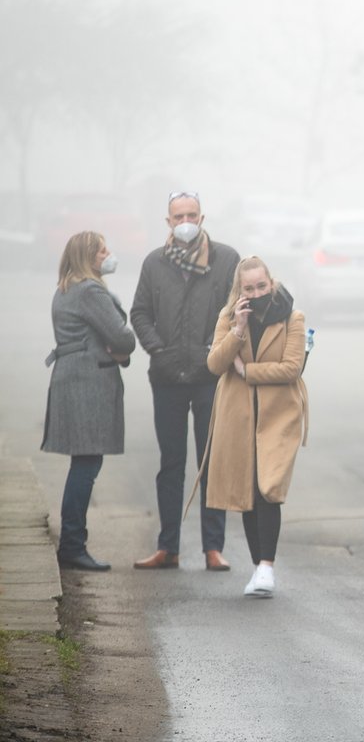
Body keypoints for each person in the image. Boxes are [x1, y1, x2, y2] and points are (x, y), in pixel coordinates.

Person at [130, 192, 239, 572]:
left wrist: (218, 349)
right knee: (171, 464)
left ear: (203, 217)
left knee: (210, 462)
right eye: (179, 216)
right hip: (166, 378)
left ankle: (213, 548)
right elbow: (140, 312)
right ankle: (168, 547)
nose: (186, 221)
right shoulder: (155, 263)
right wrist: (158, 350)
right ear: (168, 222)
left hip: (211, 377)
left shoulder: (227, 259)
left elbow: (238, 309)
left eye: (192, 214)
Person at [201, 256, 308, 598]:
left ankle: (267, 566)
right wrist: (238, 329)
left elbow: (292, 367)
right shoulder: (228, 317)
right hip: (239, 415)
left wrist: (248, 372)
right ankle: (258, 567)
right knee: (247, 491)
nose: (257, 292)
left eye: (262, 286)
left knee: (268, 487)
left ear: (271, 283)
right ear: (240, 290)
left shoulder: (293, 317)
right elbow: (216, 364)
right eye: (249, 288)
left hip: (279, 415)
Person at [42, 232, 137, 571]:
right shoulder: (91, 291)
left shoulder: (65, 288)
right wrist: (122, 346)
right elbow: (123, 335)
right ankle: (72, 545)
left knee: (83, 462)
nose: (109, 254)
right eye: (102, 250)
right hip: (88, 382)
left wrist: (117, 349)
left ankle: (72, 542)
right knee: (86, 464)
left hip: (71, 377)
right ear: (87, 257)